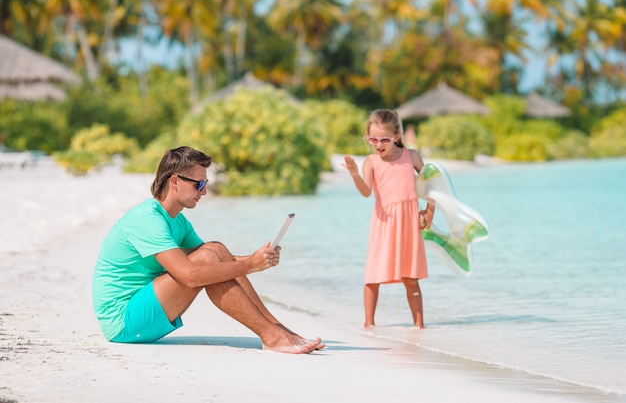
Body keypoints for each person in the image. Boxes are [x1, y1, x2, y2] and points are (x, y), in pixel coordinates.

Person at [92, 146, 323, 354]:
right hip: (123, 322)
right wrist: (250, 264)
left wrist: (259, 259)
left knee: (215, 249)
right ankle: (272, 337)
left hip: (143, 311)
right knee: (209, 256)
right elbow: (190, 276)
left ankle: (278, 331)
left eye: (205, 184)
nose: (203, 192)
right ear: (174, 182)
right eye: (198, 184)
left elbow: (217, 258)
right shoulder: (148, 220)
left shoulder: (177, 221)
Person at [342, 109, 434, 328]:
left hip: (409, 224)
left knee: (411, 277)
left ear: (396, 137)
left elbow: (431, 183)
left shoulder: (411, 157)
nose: (378, 144)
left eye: (384, 139)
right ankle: (368, 325)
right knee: (373, 276)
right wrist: (354, 174)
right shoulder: (371, 162)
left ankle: (419, 326)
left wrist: (430, 210)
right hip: (383, 224)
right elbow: (366, 192)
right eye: (373, 139)